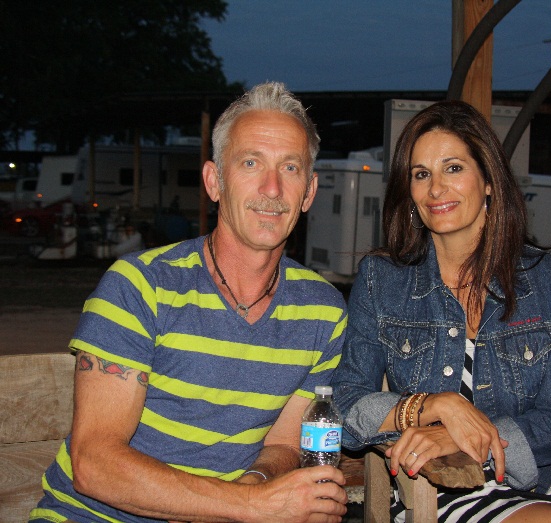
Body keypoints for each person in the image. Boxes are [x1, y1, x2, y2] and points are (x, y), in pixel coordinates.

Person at [30, 82, 349, 523]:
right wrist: (253, 506)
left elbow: (282, 444)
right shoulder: (141, 286)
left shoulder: (323, 312)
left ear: (309, 192)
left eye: (290, 167)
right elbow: (93, 463)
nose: (272, 188)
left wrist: (254, 485)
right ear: (214, 182)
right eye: (251, 162)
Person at [332, 100, 551, 523]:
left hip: (545, 479)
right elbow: (346, 406)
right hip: (440, 484)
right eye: (421, 174)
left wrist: (467, 439)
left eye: (453, 168)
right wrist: (435, 406)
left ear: (489, 181)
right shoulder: (382, 281)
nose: (436, 188)